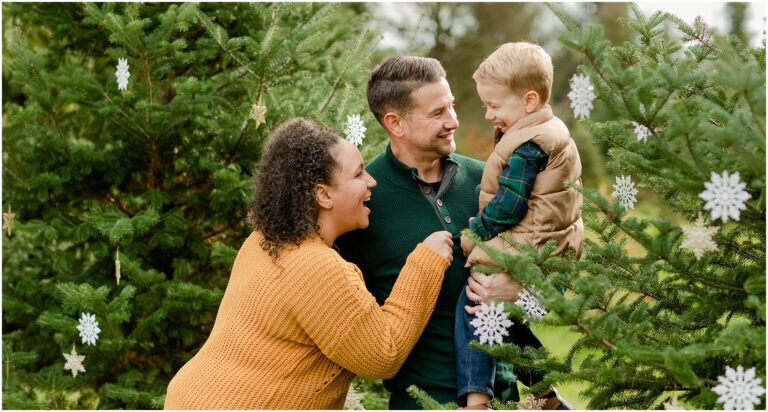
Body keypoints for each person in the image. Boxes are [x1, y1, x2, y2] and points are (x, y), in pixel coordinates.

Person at [163, 118, 456, 409]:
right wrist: (425, 262)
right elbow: (384, 354)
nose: (372, 182)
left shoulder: (263, 239)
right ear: (324, 195)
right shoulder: (317, 268)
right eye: (358, 175)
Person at [335, 55, 545, 408]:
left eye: (451, 106)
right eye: (437, 113)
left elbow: (559, 268)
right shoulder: (364, 203)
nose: (454, 121)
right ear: (395, 123)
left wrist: (521, 288)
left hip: (507, 401)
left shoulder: (494, 179)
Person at [457, 42, 584, 408]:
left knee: (475, 303)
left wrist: (473, 234)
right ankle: (546, 390)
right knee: (501, 315)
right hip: (547, 247)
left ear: (529, 101)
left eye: (494, 106)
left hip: (534, 247)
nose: (486, 114)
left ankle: (476, 400)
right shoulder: (546, 131)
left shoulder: (532, 143)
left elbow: (510, 205)